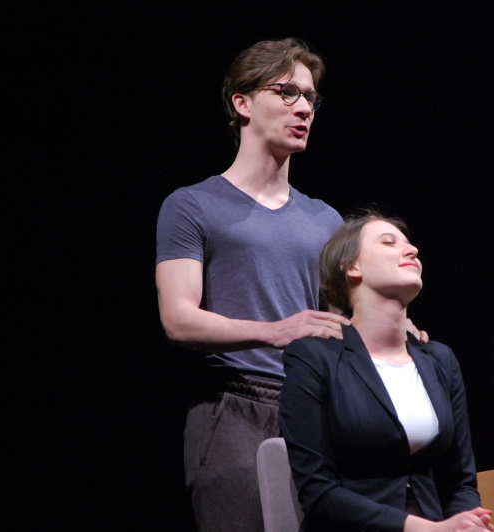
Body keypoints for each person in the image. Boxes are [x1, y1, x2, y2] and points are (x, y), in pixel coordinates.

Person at [155, 38, 349, 532]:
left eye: (311, 97)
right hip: (233, 407)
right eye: (286, 92)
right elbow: (178, 318)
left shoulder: (325, 219)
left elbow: (338, 325)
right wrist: (276, 331)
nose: (303, 107)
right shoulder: (193, 205)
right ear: (242, 103)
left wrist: (392, 334)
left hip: (314, 410)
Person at [279, 210, 494, 532]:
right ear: (352, 267)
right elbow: (319, 492)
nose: (412, 250)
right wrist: (427, 529)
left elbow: (460, 483)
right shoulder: (314, 357)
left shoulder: (440, 360)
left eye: (409, 244)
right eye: (388, 242)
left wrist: (466, 523)